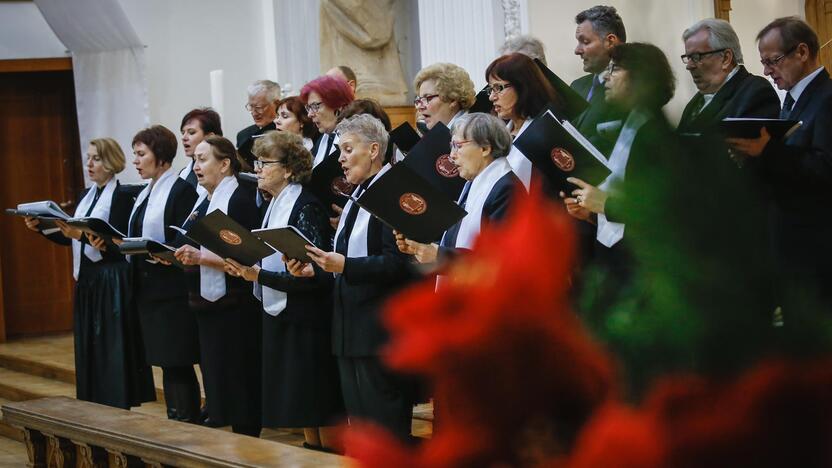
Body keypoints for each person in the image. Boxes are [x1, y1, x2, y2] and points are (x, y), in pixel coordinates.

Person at [288, 114, 415, 440]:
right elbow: (344, 258)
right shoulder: (359, 194)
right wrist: (313, 269)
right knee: (362, 431)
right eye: (340, 151)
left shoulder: (395, 191)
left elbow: (399, 264)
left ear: (374, 150)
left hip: (379, 330)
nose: (340, 160)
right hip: (350, 328)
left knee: (386, 430)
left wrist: (344, 266)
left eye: (347, 150)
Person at [224, 131, 344, 451]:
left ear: (289, 169)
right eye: (257, 163)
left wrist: (258, 275)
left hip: (307, 320)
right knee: (301, 403)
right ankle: (312, 456)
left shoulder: (306, 206)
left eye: (266, 163)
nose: (258, 169)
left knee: (318, 403)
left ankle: (330, 459)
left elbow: (315, 277)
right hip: (282, 313)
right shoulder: (274, 203)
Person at [23, 138, 156, 410]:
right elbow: (73, 238)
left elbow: (118, 243)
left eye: (96, 158)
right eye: (88, 158)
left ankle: (117, 403)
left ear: (110, 161)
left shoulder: (121, 196)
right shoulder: (86, 195)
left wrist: (83, 237)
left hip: (111, 279)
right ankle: (94, 403)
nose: (89, 164)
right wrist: (41, 229)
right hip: (88, 279)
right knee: (91, 346)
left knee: (111, 347)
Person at [727, 17, 832, 307]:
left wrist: (769, 151)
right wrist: (753, 154)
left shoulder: (827, 99)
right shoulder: (793, 100)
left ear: (801, 52)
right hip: (789, 243)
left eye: (772, 61)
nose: (766, 71)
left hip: (816, 249)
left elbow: (825, 169)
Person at [564, 43, 679, 286]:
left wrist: (605, 204)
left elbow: (657, 207)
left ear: (640, 76)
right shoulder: (631, 121)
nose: (606, 76)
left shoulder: (654, 132)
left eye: (615, 69)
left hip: (639, 261)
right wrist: (592, 213)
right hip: (615, 250)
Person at [172, 136, 263, 436]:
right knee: (218, 375)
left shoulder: (239, 199)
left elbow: (247, 257)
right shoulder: (205, 200)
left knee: (240, 376)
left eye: (203, 159)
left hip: (237, 304)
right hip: (208, 302)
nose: (196, 166)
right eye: (194, 160)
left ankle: (248, 439)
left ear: (225, 164)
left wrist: (200, 257)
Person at [127, 125, 201, 423]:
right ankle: (178, 420)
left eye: (141, 154)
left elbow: (189, 236)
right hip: (150, 289)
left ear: (160, 156)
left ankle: (186, 422)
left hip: (172, 289)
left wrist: (164, 251)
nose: (136, 161)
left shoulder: (180, 189)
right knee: (167, 363)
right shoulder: (147, 191)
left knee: (176, 361)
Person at [395, 113, 519, 267]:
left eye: (457, 146)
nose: (451, 156)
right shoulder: (472, 183)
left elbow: (500, 258)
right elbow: (455, 237)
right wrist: (420, 246)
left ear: (485, 148)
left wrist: (439, 255)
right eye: (451, 146)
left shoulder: (507, 189)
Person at [677, 18, 780, 134]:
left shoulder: (756, 92)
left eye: (696, 57)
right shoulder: (695, 103)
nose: (689, 66)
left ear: (726, 58)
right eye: (688, 58)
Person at [485, 52, 562, 189]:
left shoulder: (547, 134)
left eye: (498, 88)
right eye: (491, 89)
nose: (491, 97)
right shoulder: (500, 133)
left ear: (523, 87)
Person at [571, 5, 628, 157]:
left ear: (610, 42)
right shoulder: (576, 86)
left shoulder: (630, 89)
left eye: (585, 41)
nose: (577, 50)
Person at [300, 75, 355, 169]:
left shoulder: (354, 142)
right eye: (308, 108)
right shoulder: (322, 139)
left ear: (339, 105)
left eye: (315, 106)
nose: (309, 114)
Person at [413, 62, 476, 131]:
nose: (419, 106)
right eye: (419, 100)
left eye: (428, 98)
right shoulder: (441, 132)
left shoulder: (470, 134)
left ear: (452, 99)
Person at [237, 80, 281, 169]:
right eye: (251, 107)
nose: (254, 113)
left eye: (258, 107)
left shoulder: (285, 133)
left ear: (276, 104)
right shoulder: (243, 135)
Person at [179, 108, 223, 193]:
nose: (184, 138)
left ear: (210, 137)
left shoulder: (224, 172)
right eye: (183, 133)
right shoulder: (184, 173)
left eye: (191, 132)